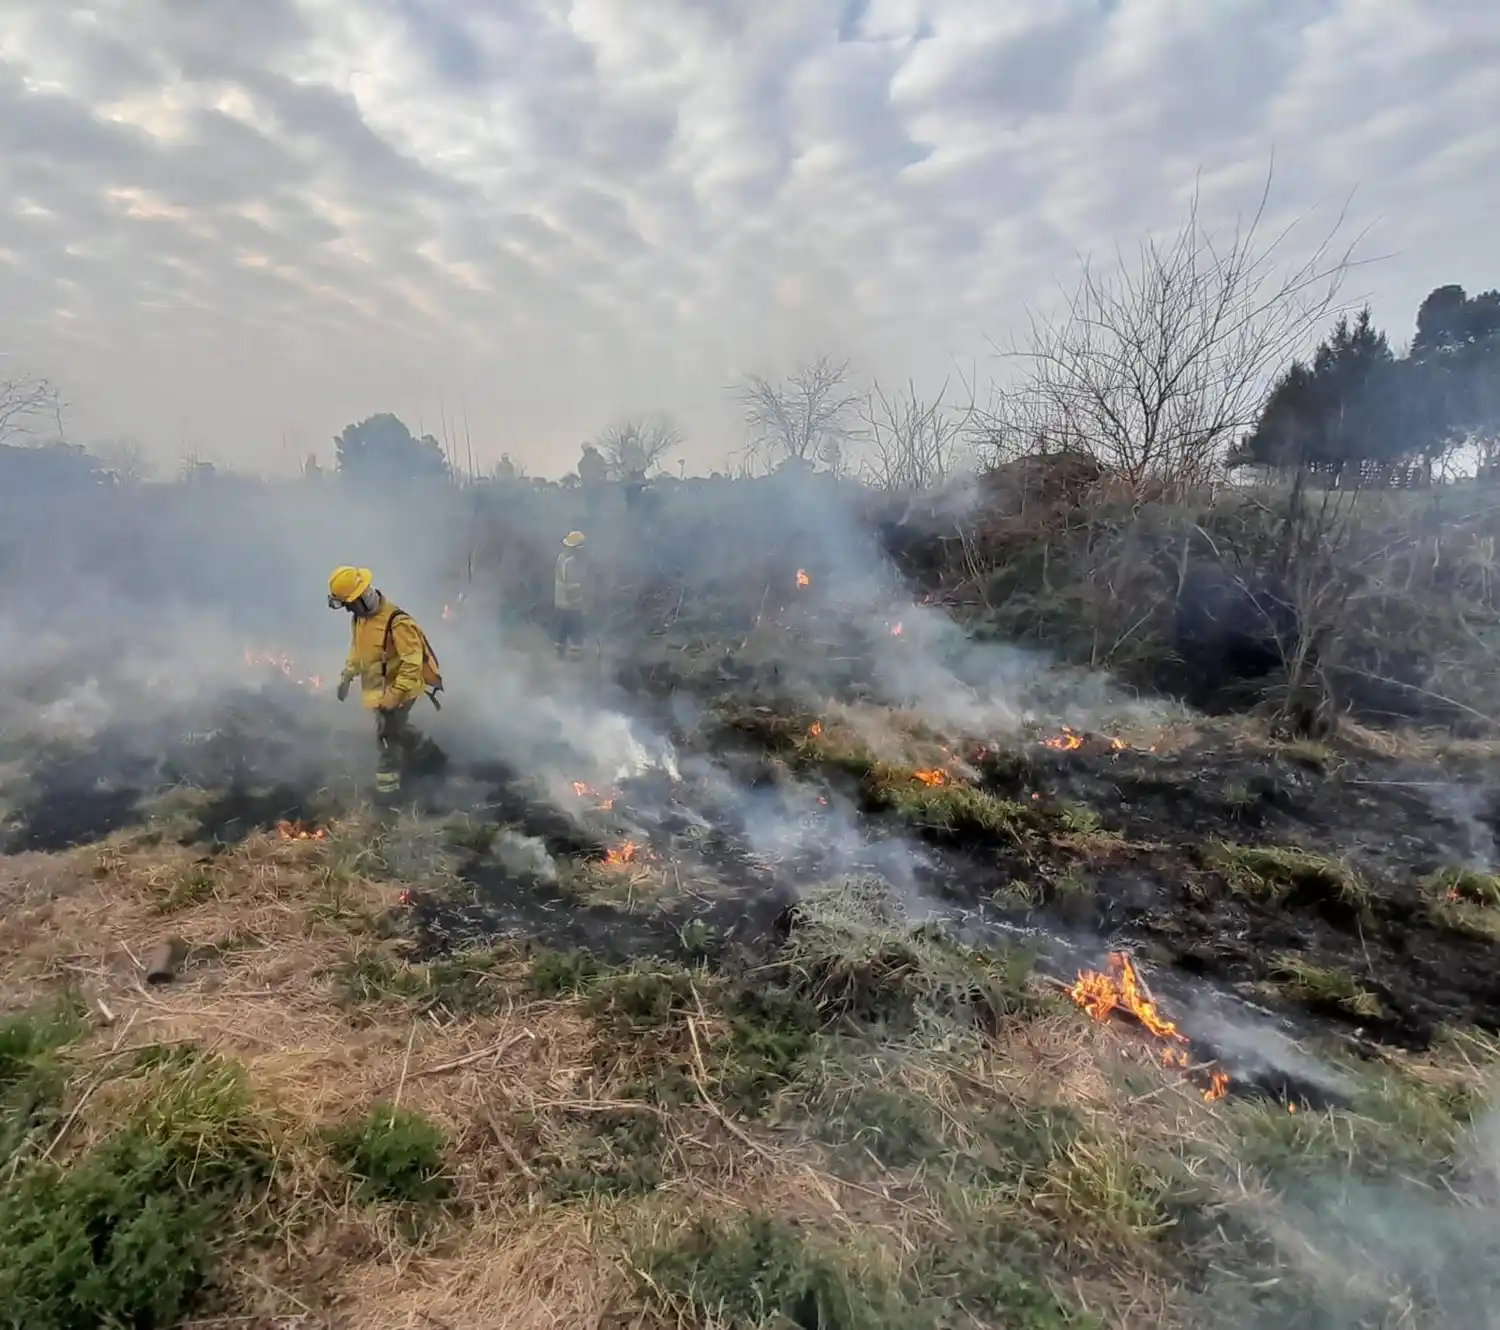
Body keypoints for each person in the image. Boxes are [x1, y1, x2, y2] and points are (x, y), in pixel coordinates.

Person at [327, 566, 447, 802]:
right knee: (399, 730)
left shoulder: (397, 622)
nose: (348, 610)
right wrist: (347, 675)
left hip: (402, 689)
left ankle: (388, 797)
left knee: (386, 737)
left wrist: (396, 693)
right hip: (379, 691)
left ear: (362, 597)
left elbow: (412, 664)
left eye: (349, 604)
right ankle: (433, 758)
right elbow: (358, 650)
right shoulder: (360, 619)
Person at [553, 532, 591, 658]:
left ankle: (559, 650)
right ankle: (575, 652)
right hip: (571, 601)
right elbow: (571, 583)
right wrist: (578, 600)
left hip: (561, 601)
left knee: (562, 627)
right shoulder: (571, 562)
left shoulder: (562, 557)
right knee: (575, 626)